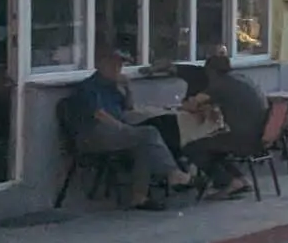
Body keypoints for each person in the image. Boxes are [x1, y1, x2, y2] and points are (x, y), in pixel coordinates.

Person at [62, 48, 193, 210]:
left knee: (144, 144)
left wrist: (127, 87)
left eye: (119, 66)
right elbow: (99, 114)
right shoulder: (89, 86)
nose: (117, 69)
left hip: (115, 132)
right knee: (148, 133)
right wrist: (124, 129)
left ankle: (139, 197)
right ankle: (172, 172)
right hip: (93, 134)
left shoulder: (113, 87)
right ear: (102, 65)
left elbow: (128, 108)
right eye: (113, 65)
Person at [183, 46, 269, 197]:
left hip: (242, 138)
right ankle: (240, 179)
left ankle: (229, 182)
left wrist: (189, 101)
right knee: (215, 145)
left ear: (211, 72)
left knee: (193, 147)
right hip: (260, 136)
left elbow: (192, 105)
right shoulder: (243, 78)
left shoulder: (220, 84)